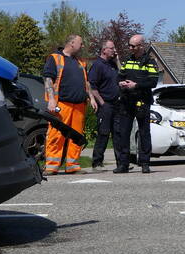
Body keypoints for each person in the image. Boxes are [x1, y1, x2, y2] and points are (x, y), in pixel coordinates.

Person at [42, 34, 94, 175]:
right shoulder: (55, 58)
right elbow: (48, 79)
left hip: (79, 106)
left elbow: (86, 82)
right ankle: (51, 166)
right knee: (56, 135)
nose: (82, 46)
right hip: (62, 105)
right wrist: (52, 100)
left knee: (76, 136)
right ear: (72, 43)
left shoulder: (81, 62)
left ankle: (72, 165)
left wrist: (92, 98)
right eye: (80, 43)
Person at [114, 34, 158, 174]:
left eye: (133, 46)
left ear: (141, 46)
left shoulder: (150, 62)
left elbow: (153, 82)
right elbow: (120, 76)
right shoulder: (127, 61)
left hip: (142, 101)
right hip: (127, 101)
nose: (130, 48)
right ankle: (123, 164)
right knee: (124, 133)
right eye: (129, 45)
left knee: (144, 132)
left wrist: (136, 85)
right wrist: (120, 82)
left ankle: (145, 163)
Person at [86, 39, 120, 172]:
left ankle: (121, 163)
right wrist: (101, 102)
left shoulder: (112, 64)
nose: (114, 51)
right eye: (112, 48)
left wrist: (117, 60)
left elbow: (123, 74)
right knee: (103, 134)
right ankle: (97, 162)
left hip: (117, 104)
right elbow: (92, 86)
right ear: (104, 50)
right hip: (105, 104)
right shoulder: (98, 65)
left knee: (118, 134)